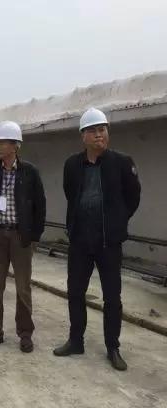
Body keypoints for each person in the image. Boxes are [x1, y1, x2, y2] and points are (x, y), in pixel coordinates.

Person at [53, 108, 141, 371]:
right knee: (75, 292)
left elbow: (133, 197)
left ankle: (113, 347)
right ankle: (75, 341)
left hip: (108, 243)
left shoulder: (122, 163)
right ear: (83, 136)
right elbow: (71, 193)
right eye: (93, 131)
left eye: (102, 129)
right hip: (80, 241)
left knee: (112, 297)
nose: (99, 135)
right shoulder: (72, 165)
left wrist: (117, 221)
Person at [0, 121, 46, 354]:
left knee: (22, 288)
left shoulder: (30, 172)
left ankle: (25, 333)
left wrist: (34, 236)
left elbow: (40, 205)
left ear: (15, 145)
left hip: (20, 237)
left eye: (2, 142)